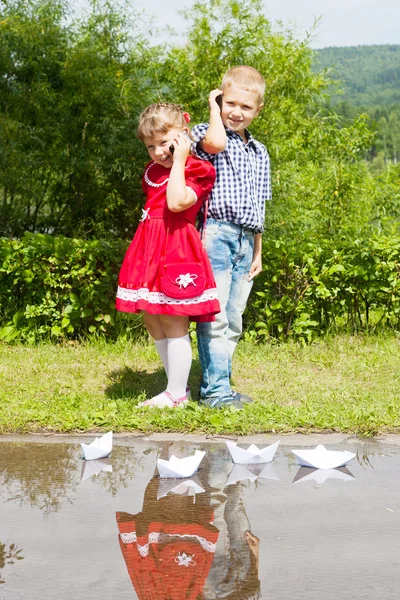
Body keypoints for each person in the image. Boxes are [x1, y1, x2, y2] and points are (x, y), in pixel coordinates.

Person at [116, 103, 220, 408]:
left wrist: (180, 160)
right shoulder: (152, 172)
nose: (159, 151)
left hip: (176, 247)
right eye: (151, 146)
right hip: (149, 247)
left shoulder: (197, 169)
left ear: (183, 135)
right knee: (153, 320)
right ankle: (176, 387)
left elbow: (176, 203)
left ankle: (176, 393)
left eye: (164, 142)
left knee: (173, 321)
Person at [192, 65, 272, 409]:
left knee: (234, 317)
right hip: (216, 233)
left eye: (246, 107)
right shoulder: (205, 132)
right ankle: (214, 393)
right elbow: (215, 142)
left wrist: (258, 250)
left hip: (245, 240)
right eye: (230, 103)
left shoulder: (260, 152)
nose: (236, 112)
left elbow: (260, 207)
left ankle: (221, 384)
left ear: (258, 110)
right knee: (215, 315)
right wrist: (212, 106)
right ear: (220, 99)